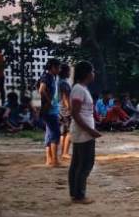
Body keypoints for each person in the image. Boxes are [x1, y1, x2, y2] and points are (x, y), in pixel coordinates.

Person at [68, 61, 100, 204]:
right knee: (86, 163)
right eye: (92, 71)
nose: (94, 74)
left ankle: (75, 193)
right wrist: (90, 130)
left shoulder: (80, 89)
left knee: (77, 163)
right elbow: (75, 113)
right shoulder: (79, 89)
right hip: (83, 132)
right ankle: (79, 195)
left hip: (82, 131)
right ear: (87, 73)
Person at [38, 58, 61, 167]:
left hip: (51, 110)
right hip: (49, 110)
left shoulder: (51, 77)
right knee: (55, 134)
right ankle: (54, 160)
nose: (59, 70)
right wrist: (49, 102)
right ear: (52, 67)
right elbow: (41, 90)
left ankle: (49, 160)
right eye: (58, 67)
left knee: (50, 134)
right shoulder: (47, 77)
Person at [58, 63, 73, 161]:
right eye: (69, 71)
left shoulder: (59, 82)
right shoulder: (64, 83)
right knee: (70, 131)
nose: (70, 73)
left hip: (60, 109)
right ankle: (65, 152)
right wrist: (70, 109)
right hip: (65, 110)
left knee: (63, 132)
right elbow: (65, 98)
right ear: (65, 72)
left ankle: (63, 152)